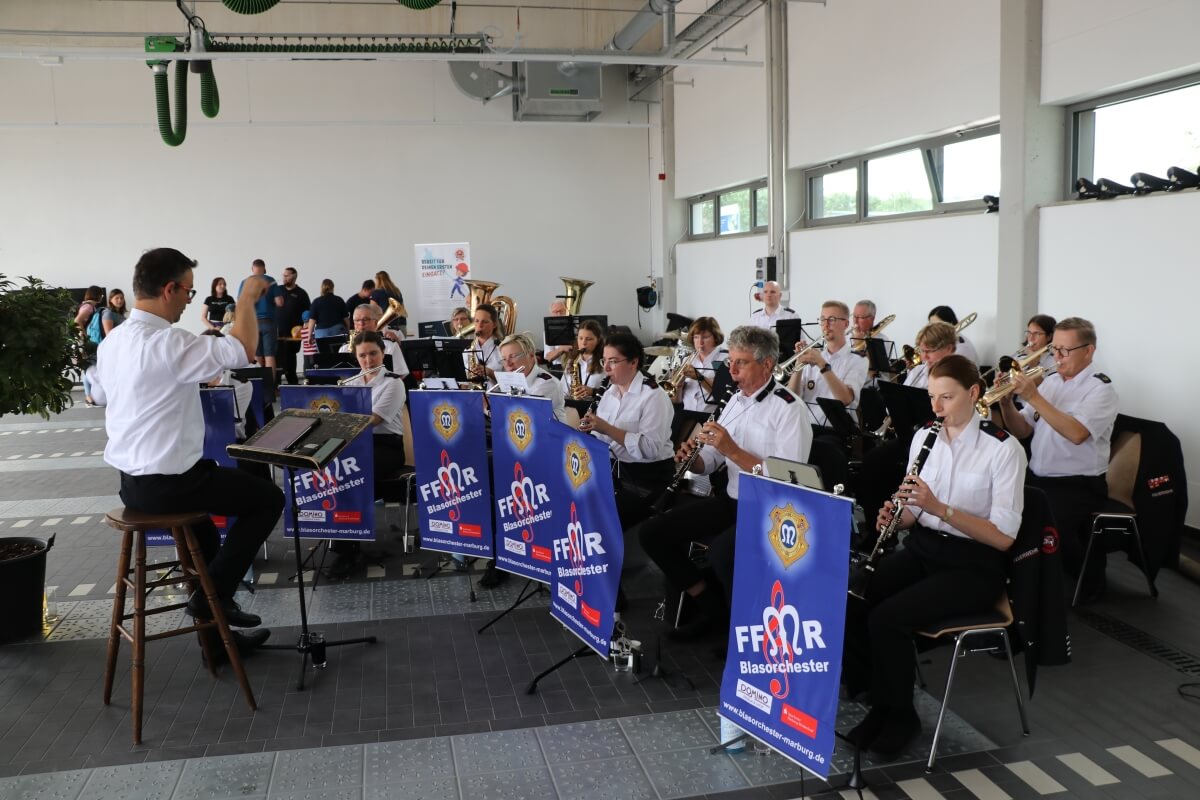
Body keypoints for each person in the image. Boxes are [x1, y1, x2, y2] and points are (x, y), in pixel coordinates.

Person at [97, 247, 283, 661]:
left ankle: (217, 644)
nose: (189, 301)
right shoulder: (167, 342)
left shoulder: (115, 343)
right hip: (171, 485)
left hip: (132, 485)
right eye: (188, 292)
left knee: (206, 539)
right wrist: (248, 298)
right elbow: (242, 351)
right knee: (268, 498)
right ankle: (212, 598)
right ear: (170, 289)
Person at [842, 355, 1025, 758]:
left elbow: (1004, 538)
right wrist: (898, 515)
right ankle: (880, 700)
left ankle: (902, 716)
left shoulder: (1003, 449)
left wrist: (940, 508)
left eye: (946, 397)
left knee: (887, 618)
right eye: (931, 398)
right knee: (854, 598)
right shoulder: (925, 436)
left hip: (975, 566)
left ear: (974, 393)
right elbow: (913, 512)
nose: (937, 407)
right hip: (926, 548)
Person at [637, 325, 811, 640]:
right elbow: (711, 463)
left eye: (740, 362)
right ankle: (715, 612)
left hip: (771, 511)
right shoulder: (733, 401)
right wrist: (693, 458)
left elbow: (790, 480)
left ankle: (743, 633)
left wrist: (731, 448)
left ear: (767, 364)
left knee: (722, 553)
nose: (731, 370)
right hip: (733, 499)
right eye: (730, 361)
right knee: (653, 533)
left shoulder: (788, 408)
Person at [992, 317, 1118, 601]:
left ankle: (1041, 594)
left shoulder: (1101, 390)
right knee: (1000, 519)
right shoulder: (1050, 383)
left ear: (1089, 351)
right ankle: (1014, 588)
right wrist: (1006, 402)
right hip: (1040, 478)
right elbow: (1022, 429)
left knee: (1036, 532)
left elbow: (1076, 433)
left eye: (1064, 350)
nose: (1056, 357)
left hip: (1079, 485)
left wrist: (1033, 396)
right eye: (1056, 349)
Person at [329, 331, 408, 577]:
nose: (369, 360)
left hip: (386, 445)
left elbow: (372, 420)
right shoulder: (351, 384)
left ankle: (347, 551)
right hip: (356, 444)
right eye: (362, 355)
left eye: (373, 353)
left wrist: (342, 419)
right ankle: (341, 538)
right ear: (356, 357)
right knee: (331, 470)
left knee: (352, 475)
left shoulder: (393, 383)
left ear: (382, 353)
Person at [580, 331, 676, 521]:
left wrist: (606, 428)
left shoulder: (653, 396)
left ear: (633, 362)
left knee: (599, 514)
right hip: (613, 472)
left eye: (613, 361)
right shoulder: (609, 393)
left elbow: (650, 449)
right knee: (571, 499)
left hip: (647, 479)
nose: (606, 368)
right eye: (604, 360)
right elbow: (602, 441)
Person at [788, 300, 869, 430]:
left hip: (836, 431)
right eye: (822, 319)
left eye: (831, 319)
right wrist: (799, 363)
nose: (825, 325)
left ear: (846, 324)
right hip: (805, 427)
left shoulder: (858, 360)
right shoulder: (813, 355)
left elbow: (845, 399)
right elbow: (792, 397)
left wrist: (822, 364)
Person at [498, 333, 566, 423]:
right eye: (504, 359)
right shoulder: (511, 381)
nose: (508, 364)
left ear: (531, 356)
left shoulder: (547, 383)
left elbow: (523, 416)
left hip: (549, 435)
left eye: (513, 356)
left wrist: (487, 408)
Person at [673, 316, 729, 413]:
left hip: (711, 417)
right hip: (686, 415)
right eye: (696, 337)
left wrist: (699, 377)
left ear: (716, 338)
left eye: (705, 337)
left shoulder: (726, 359)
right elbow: (677, 400)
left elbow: (724, 395)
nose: (700, 342)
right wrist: (679, 385)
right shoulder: (688, 360)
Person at [339, 303, 410, 378]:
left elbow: (399, 375)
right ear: (353, 323)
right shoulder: (344, 349)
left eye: (366, 319)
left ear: (375, 323)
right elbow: (342, 377)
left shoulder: (390, 346)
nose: (361, 324)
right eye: (357, 320)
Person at [238, 259, 284, 372]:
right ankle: (270, 387)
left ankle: (258, 385)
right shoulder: (270, 281)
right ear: (264, 269)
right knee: (269, 355)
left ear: (252, 269)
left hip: (252, 323)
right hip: (268, 322)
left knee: (256, 355)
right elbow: (280, 302)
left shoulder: (245, 282)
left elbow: (240, 303)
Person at [276, 266, 310, 386]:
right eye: (283, 275)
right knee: (277, 361)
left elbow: (308, 315)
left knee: (290, 361)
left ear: (294, 276)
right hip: (277, 333)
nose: (284, 278)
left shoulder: (301, 294)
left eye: (287, 275)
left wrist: (304, 329)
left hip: (293, 335)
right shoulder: (277, 290)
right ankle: (275, 387)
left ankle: (293, 386)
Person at [560, 319, 606, 401]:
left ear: (598, 340)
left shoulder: (605, 362)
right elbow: (562, 391)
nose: (583, 343)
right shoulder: (572, 361)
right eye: (580, 338)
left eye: (588, 339)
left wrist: (593, 392)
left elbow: (614, 391)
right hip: (573, 406)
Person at [902, 322, 957, 390]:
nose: (923, 357)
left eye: (929, 351)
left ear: (949, 349)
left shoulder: (962, 379)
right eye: (922, 351)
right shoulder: (917, 371)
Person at [75, 286, 104, 406]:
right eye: (100, 294)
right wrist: (85, 337)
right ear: (97, 295)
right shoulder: (88, 307)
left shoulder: (86, 305)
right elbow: (77, 321)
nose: (102, 297)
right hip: (84, 342)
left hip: (82, 341)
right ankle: (89, 397)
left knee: (88, 368)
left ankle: (90, 396)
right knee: (88, 368)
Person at [464, 303, 503, 386]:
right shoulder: (467, 349)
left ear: (494, 324)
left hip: (495, 396)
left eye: (484, 322)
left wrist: (489, 372)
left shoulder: (502, 349)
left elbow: (511, 380)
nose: (479, 326)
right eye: (477, 321)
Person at [543, 299, 572, 363]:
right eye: (555, 312)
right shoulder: (548, 331)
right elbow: (548, 357)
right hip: (559, 367)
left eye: (561, 311)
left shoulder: (579, 328)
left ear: (567, 311)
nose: (558, 315)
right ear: (551, 314)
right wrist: (561, 349)